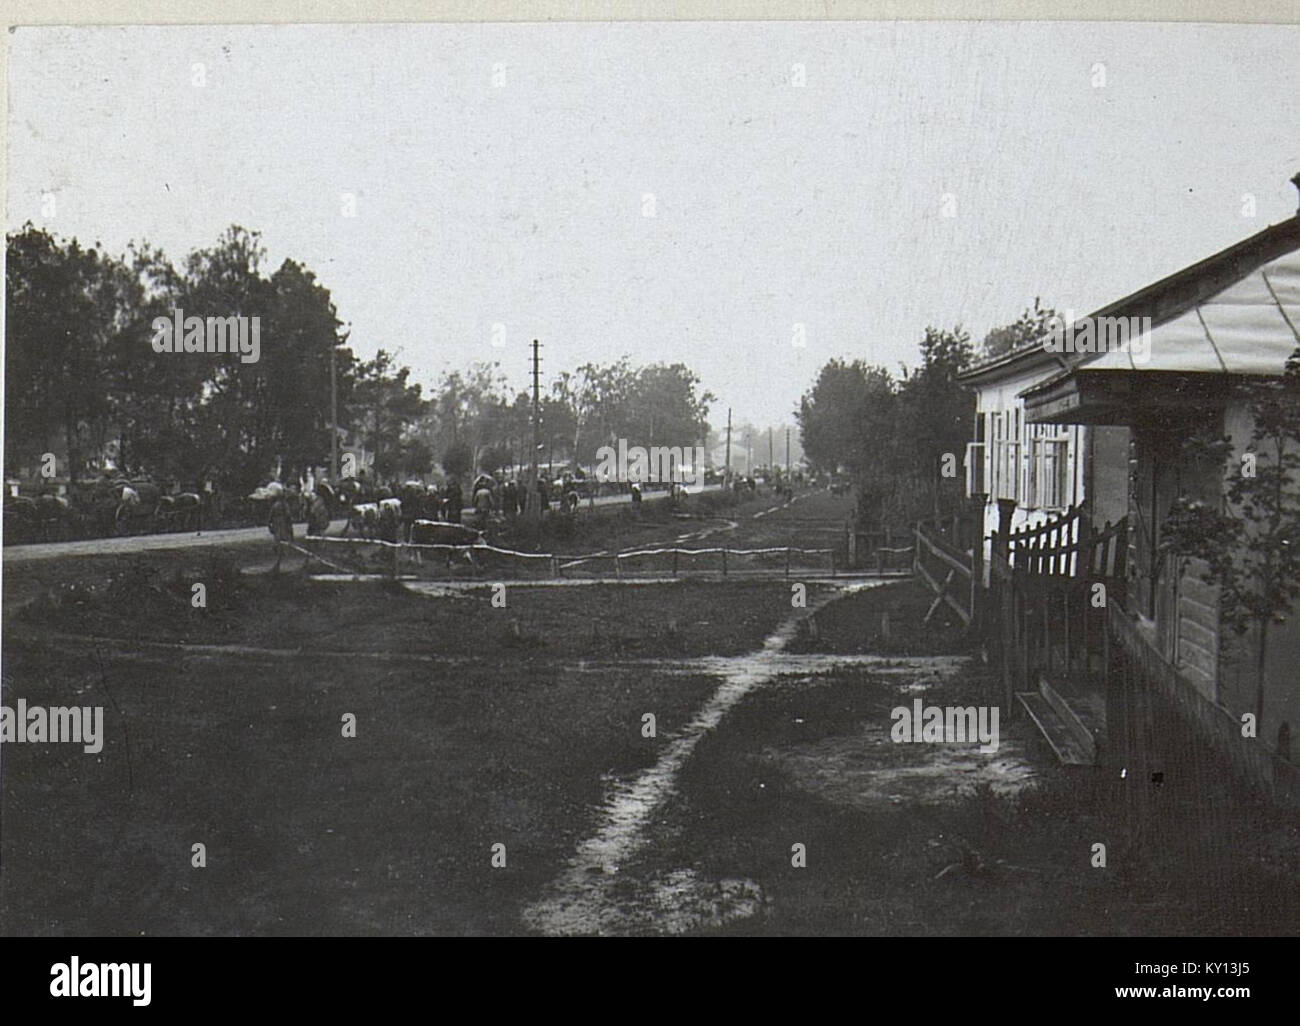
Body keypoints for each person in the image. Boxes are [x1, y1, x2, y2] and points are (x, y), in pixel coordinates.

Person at [266, 481, 294, 571]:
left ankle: (279, 561)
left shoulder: (275, 505)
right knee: (282, 542)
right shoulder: (284, 505)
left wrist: (270, 525)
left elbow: (270, 517)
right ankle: (280, 561)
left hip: (278, 525)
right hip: (282, 525)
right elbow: (288, 516)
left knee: (279, 541)